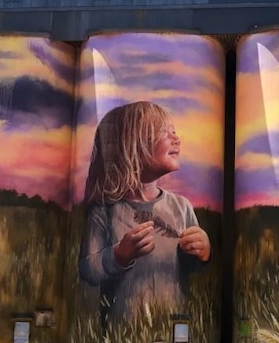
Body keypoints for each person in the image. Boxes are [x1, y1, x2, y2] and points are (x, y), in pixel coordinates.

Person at [78, 101, 211, 320]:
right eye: (163, 132)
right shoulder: (103, 211)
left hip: (173, 326)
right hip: (121, 336)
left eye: (174, 132)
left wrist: (203, 252)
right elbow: (87, 270)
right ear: (130, 146)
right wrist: (119, 255)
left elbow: (192, 267)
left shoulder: (181, 206)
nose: (177, 139)